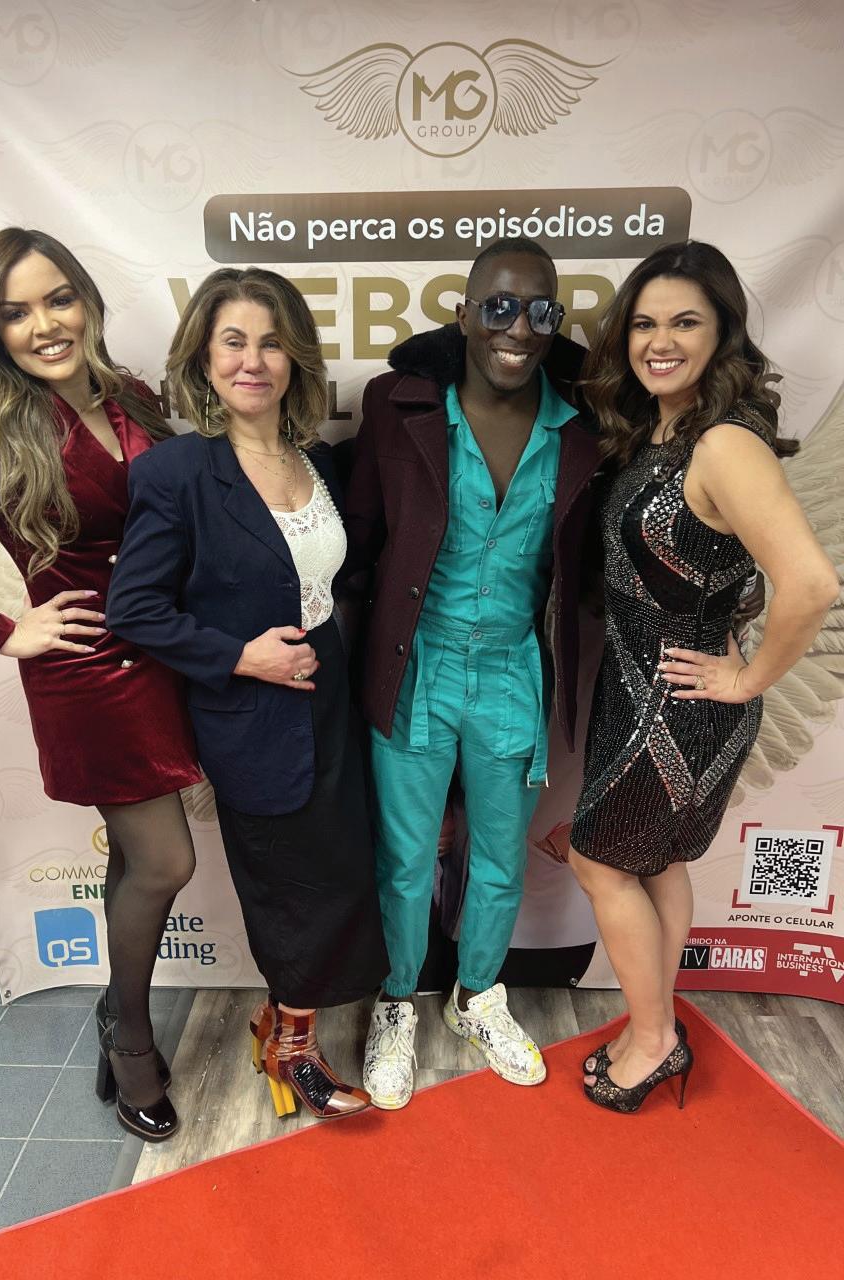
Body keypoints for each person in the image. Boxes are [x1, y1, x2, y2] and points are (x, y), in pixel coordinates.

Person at [0, 228, 205, 1142]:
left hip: (167, 655)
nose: (44, 325)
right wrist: (2, 630)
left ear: (87, 301)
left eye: (57, 299)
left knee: (136, 858)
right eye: (15, 313)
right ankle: (130, 1036)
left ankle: (117, 1009)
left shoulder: (131, 392)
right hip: (90, 677)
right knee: (167, 862)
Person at [105, 266, 388, 1119]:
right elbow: (134, 609)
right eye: (234, 342)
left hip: (332, 702)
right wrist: (239, 657)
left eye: (271, 343)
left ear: (296, 359)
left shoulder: (318, 461)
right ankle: (292, 1050)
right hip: (254, 716)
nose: (253, 361)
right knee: (287, 888)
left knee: (339, 874)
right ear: (204, 356)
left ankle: (287, 1025)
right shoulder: (179, 472)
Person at [569, 241, 838, 1113]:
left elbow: (812, 584)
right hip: (637, 695)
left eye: (684, 322)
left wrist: (750, 678)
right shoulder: (661, 430)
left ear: (722, 333)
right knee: (653, 864)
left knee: (601, 864)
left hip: (680, 705)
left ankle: (653, 1041)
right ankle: (658, 1023)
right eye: (644, 324)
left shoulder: (723, 444)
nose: (660, 341)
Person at [342, 236, 602, 1108]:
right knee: (404, 860)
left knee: (498, 858)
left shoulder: (581, 428)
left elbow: (592, 560)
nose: (518, 328)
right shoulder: (399, 407)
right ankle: (397, 1002)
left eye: (540, 311)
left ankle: (478, 995)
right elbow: (362, 539)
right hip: (414, 663)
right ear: (463, 314)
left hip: (512, 672)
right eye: (498, 306)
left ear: (555, 325)